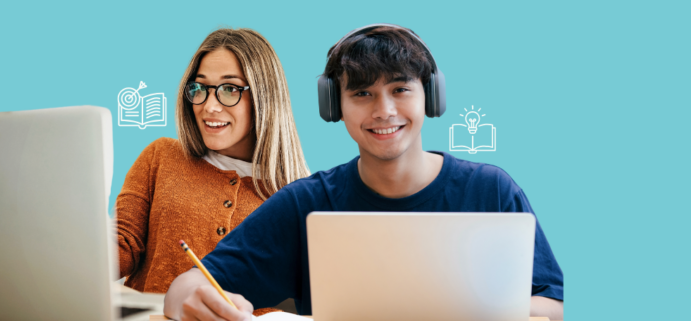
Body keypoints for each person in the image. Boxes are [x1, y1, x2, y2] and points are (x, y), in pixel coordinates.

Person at [163, 24, 564, 321]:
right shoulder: (306, 203)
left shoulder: (491, 190)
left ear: (431, 96)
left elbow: (554, 304)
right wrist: (192, 300)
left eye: (400, 89)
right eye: (362, 93)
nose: (383, 111)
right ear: (334, 106)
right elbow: (188, 285)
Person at [114, 28, 310, 316]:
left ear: (264, 97)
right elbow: (121, 244)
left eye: (230, 89)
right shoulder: (161, 156)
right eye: (200, 88)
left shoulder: (297, 197)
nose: (209, 106)